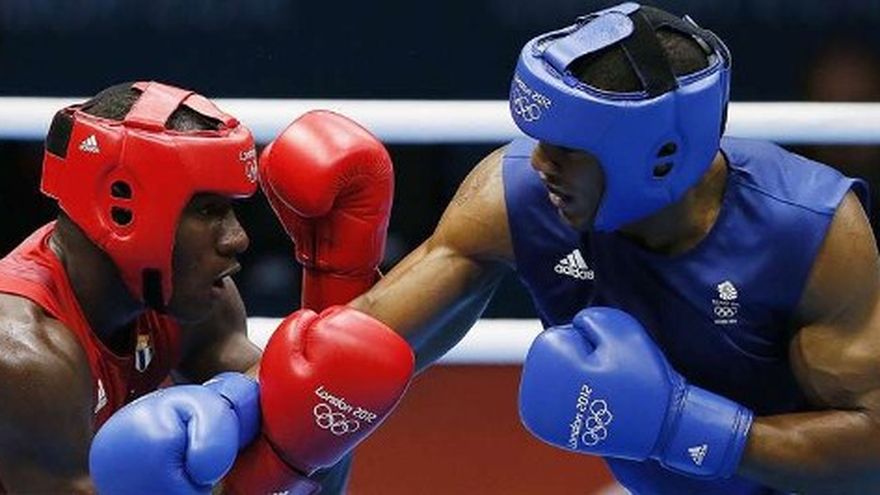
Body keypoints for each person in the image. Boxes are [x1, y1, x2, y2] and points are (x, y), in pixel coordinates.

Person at [92, 3, 880, 494]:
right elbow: (361, 343)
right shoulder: (521, 197)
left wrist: (681, 426)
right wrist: (229, 404)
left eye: (568, 148)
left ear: (659, 157)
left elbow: (871, 451)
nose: (539, 163)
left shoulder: (810, 233)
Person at [0, 81, 413, 494]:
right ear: (121, 208)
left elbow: (307, 434)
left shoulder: (187, 301)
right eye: (208, 210)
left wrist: (335, 293)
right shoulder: (25, 357)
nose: (238, 238)